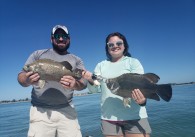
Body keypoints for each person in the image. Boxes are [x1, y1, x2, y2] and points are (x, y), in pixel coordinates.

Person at [17, 25, 87, 137]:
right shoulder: (37, 54)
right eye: (57, 36)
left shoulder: (76, 60)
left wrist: (75, 84)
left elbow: (83, 83)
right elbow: (21, 76)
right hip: (40, 112)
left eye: (64, 36)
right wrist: (27, 80)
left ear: (69, 39)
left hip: (67, 111)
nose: (60, 39)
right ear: (51, 39)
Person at [83, 32, 151, 137]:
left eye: (119, 43)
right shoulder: (100, 66)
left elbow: (141, 85)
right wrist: (91, 81)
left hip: (135, 116)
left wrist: (143, 101)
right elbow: (94, 90)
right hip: (108, 118)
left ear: (124, 46)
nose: (115, 46)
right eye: (111, 45)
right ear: (107, 48)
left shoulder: (133, 62)